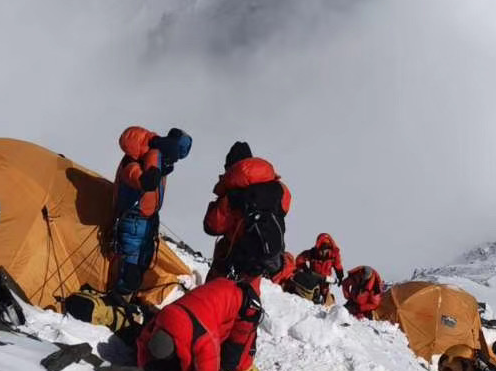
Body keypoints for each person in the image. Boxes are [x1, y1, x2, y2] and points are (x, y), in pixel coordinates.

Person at [136, 275, 262, 371]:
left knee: (231, 364)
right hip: (218, 293)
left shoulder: (203, 336)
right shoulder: (163, 317)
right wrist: (145, 365)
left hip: (244, 310)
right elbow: (143, 341)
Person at [110, 126, 191, 299]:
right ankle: (116, 302)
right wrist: (148, 176)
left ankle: (124, 301)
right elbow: (138, 178)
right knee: (130, 269)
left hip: (146, 220)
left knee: (141, 265)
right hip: (134, 221)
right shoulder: (135, 163)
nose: (170, 164)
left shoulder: (154, 158)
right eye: (169, 160)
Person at [203, 141, 291, 279]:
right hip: (272, 257)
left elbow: (212, 226)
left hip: (238, 262)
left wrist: (224, 199)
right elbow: (285, 207)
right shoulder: (276, 187)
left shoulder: (231, 195)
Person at [288, 233, 345, 304]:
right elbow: (299, 259)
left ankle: (329, 299)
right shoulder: (312, 253)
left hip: (325, 281)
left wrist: (340, 275)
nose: (324, 252)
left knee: (326, 301)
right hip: (313, 279)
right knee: (311, 294)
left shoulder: (334, 255)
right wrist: (306, 269)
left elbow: (338, 265)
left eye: (326, 249)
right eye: (322, 249)